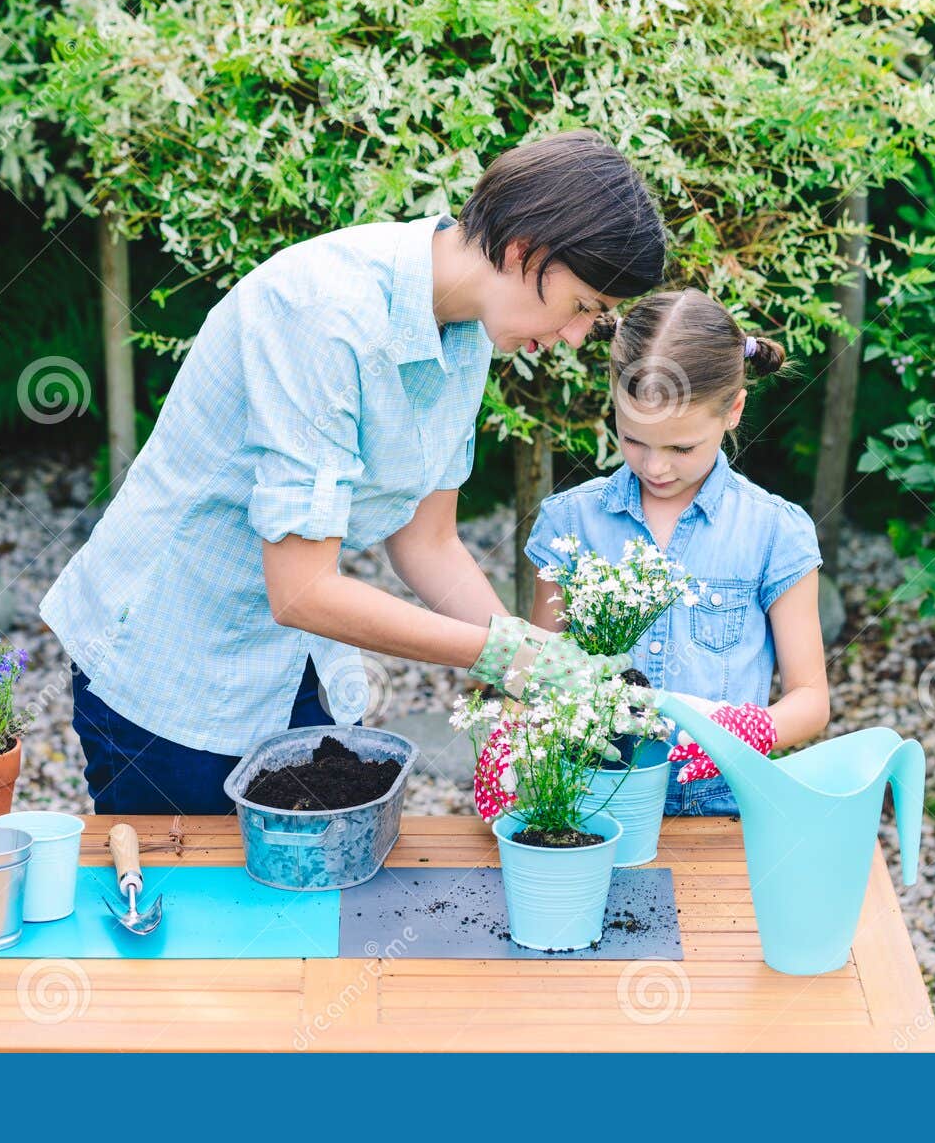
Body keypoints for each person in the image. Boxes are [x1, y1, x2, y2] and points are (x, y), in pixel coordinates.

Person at [39, 130, 668, 814]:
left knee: (316, 896)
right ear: (525, 252)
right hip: (169, 668)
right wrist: (503, 654)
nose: (577, 339)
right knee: (197, 906)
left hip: (294, 660)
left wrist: (539, 672)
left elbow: (427, 543)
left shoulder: (469, 330)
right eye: (582, 308)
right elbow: (302, 590)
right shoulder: (322, 315)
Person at [525, 288, 831, 816]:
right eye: (633, 439)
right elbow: (537, 673)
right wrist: (512, 745)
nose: (656, 467)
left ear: (733, 410)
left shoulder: (775, 532)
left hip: (725, 809)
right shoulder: (569, 522)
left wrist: (744, 731)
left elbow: (811, 700)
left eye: (681, 448)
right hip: (589, 806)